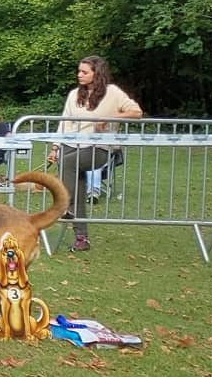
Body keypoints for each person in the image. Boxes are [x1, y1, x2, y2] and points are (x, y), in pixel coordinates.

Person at [51, 55, 143, 253]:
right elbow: (64, 122)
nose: (79, 75)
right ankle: (81, 238)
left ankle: (65, 205)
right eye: (79, 71)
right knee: (78, 189)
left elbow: (136, 112)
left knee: (68, 165)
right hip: (71, 145)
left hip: (98, 148)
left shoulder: (113, 92)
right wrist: (55, 147)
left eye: (84, 72)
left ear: (97, 73)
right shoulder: (74, 94)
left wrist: (109, 117)